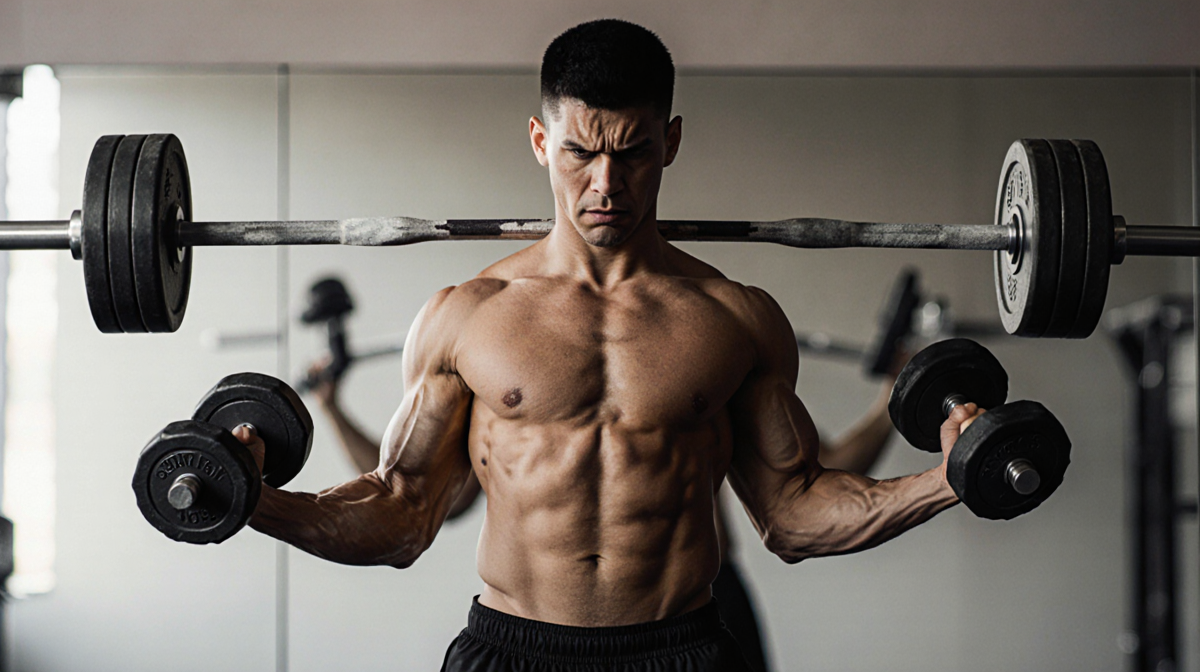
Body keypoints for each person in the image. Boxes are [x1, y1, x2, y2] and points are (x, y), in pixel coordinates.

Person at [240, 19, 978, 672]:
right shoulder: (466, 317)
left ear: (672, 143)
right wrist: (250, 500)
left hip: (681, 649)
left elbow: (791, 514)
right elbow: (401, 515)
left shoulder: (735, 320)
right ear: (540, 141)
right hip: (511, 649)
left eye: (633, 153)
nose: (606, 184)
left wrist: (951, 477)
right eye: (579, 153)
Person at [303, 346, 903, 672]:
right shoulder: (492, 357)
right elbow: (414, 494)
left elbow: (813, 477)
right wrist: (329, 408)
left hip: (698, 610)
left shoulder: (703, 349)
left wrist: (894, 400)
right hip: (530, 636)